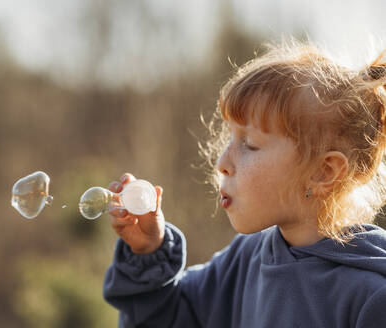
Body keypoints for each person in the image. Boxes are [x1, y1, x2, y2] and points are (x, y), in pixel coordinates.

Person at [103, 40, 386, 327]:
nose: (222, 162)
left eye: (249, 144)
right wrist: (149, 253)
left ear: (324, 172)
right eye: (230, 137)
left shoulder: (370, 296)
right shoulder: (243, 261)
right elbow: (168, 319)